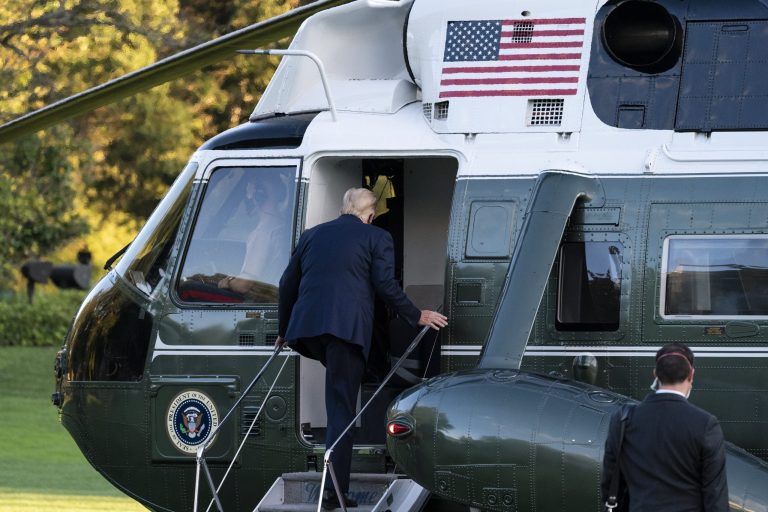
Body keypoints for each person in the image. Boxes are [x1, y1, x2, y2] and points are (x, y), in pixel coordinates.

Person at [276, 187, 448, 510]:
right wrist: (417, 315)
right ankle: (332, 495)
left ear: (345, 209)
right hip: (346, 332)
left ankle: (332, 486)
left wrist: (283, 331)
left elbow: (287, 283)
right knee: (342, 408)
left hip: (310, 332)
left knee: (340, 392)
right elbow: (384, 284)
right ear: (370, 215)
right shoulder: (377, 237)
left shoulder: (312, 235)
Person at [601, 342, 728, 512]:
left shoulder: (624, 419)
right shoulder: (705, 424)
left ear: (655, 374)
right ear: (691, 374)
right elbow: (715, 495)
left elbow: (610, 480)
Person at [218, 175, 290, 300]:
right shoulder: (283, 227)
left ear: (258, 196)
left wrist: (227, 282)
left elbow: (243, 285)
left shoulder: (263, 233)